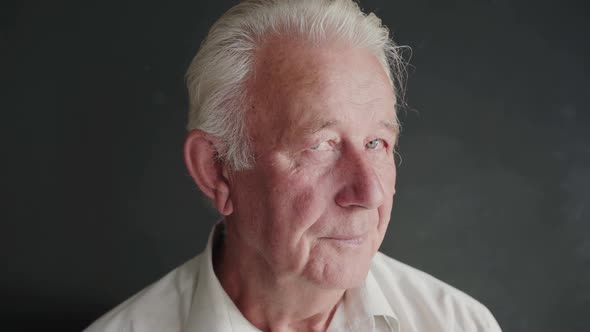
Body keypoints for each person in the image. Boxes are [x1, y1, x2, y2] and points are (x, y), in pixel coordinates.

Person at [85, 0, 502, 331]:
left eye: (376, 142)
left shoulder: (458, 325)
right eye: (320, 145)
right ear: (217, 169)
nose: (369, 192)